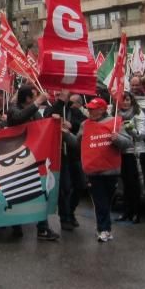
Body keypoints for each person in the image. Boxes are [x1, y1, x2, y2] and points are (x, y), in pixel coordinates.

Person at [6, 85, 60, 242]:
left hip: (34, 157)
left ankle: (42, 228)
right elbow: (18, 118)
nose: (37, 98)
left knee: (40, 191)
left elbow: (42, 127)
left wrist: (52, 122)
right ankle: (16, 225)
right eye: (34, 96)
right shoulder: (13, 109)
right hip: (16, 158)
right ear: (28, 98)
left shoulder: (35, 112)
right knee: (16, 192)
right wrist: (38, 103)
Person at [77, 97, 131, 242]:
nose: (90, 111)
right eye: (89, 109)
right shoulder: (84, 125)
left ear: (102, 109)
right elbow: (78, 143)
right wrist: (66, 134)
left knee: (107, 201)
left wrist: (117, 138)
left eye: (93, 109)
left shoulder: (115, 123)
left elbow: (127, 143)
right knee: (100, 201)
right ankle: (104, 229)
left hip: (111, 169)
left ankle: (104, 227)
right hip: (93, 171)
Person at [45, 89, 85, 231]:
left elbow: (83, 124)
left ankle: (71, 210)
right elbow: (47, 117)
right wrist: (59, 102)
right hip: (61, 155)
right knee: (65, 187)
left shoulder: (74, 112)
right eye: (59, 95)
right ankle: (65, 217)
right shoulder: (53, 108)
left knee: (81, 184)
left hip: (74, 154)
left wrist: (71, 125)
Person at [115, 91, 145, 224]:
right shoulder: (116, 113)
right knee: (125, 184)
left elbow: (142, 134)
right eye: (123, 100)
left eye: (128, 100)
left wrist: (131, 129)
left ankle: (136, 213)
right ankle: (126, 211)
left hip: (134, 152)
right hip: (121, 151)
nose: (126, 102)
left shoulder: (138, 113)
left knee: (134, 185)